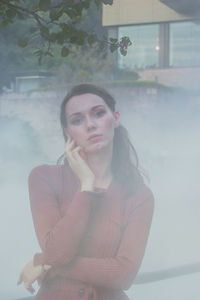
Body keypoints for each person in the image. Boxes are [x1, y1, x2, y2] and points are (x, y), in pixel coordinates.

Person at [17, 84, 154, 300]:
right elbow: (57, 250)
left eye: (99, 114)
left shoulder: (139, 195)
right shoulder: (43, 177)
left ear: (115, 118)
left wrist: (44, 263)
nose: (90, 125)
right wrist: (86, 184)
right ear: (68, 132)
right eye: (77, 120)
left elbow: (124, 274)